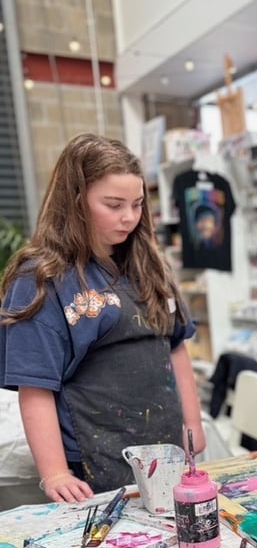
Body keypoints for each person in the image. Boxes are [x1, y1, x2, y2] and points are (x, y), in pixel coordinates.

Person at [0, 132, 206, 503]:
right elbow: (35, 386)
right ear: (76, 201)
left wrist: (192, 424)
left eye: (137, 204)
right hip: (94, 460)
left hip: (164, 448)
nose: (129, 217)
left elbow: (175, 347)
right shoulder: (41, 279)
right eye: (113, 205)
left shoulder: (149, 265)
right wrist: (55, 473)